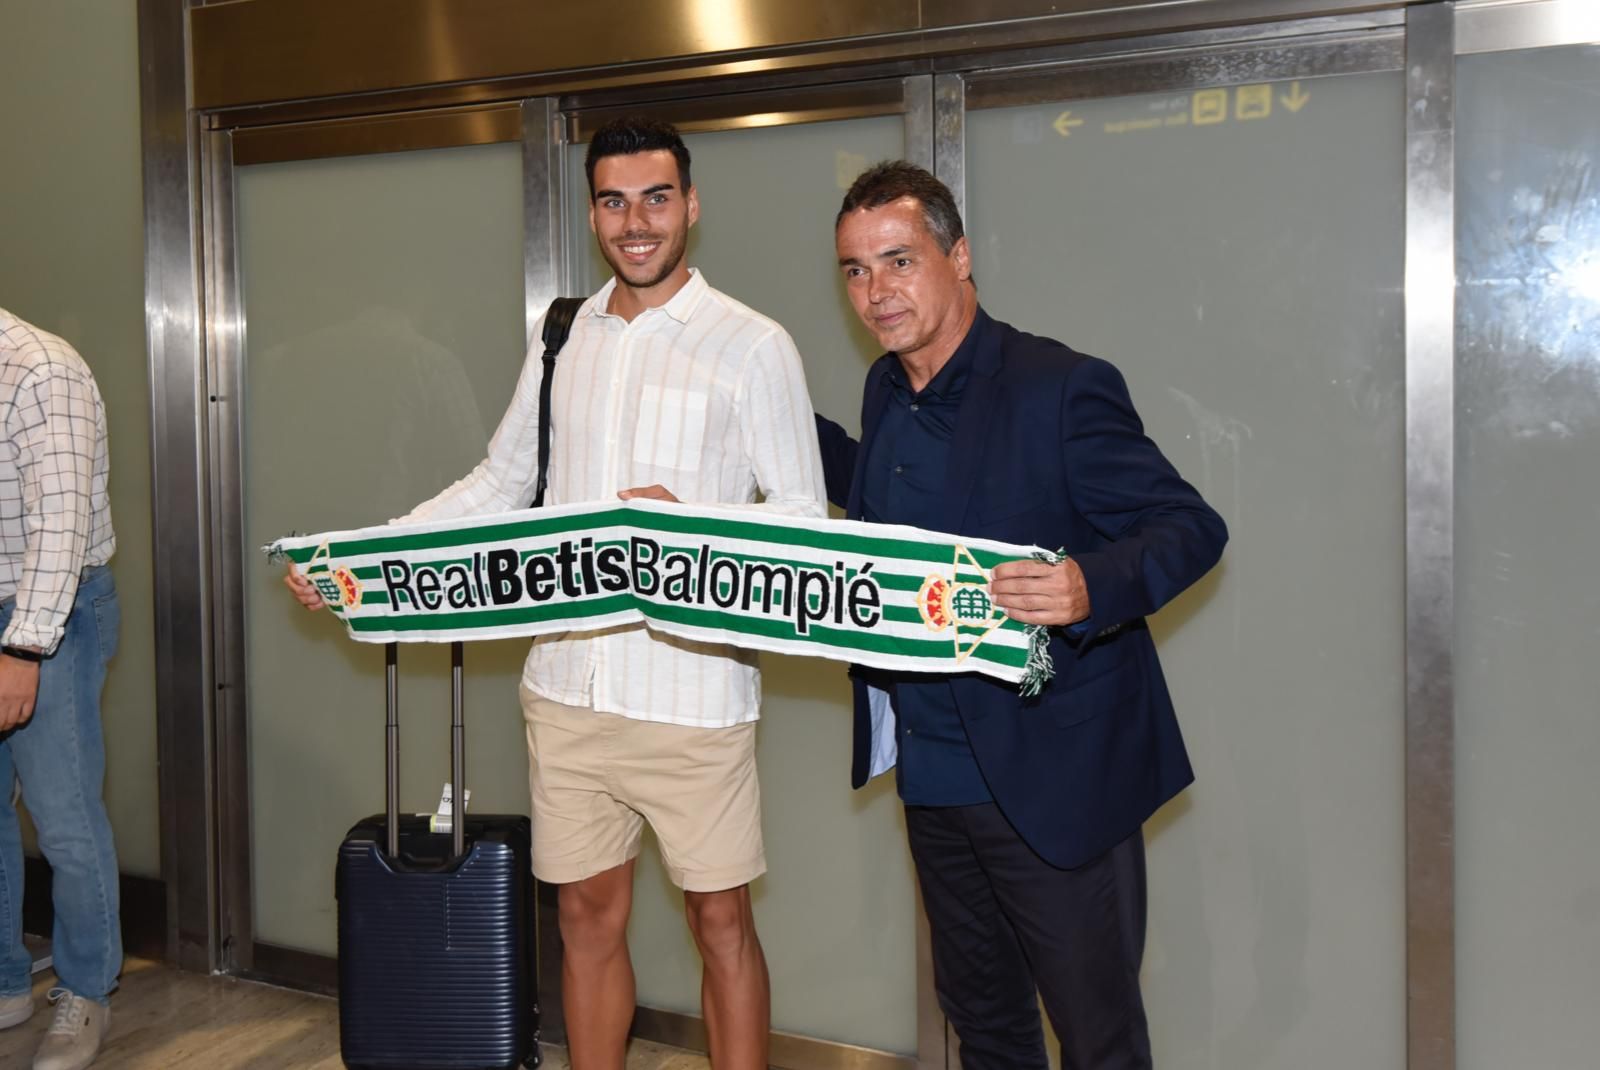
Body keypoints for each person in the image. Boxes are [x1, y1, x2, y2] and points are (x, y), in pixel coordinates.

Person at [286, 117, 825, 1070]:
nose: (637, 222)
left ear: (692, 205)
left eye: (657, 198)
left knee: (721, 923)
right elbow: (499, 485)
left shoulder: (753, 345)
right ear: (592, 215)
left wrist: (691, 518)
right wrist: (366, 558)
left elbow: (803, 521)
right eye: (615, 202)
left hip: (693, 698)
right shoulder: (563, 336)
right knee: (584, 916)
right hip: (568, 689)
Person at [816, 162, 1227, 1070]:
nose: (877, 293)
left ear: (958, 257)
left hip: (1056, 778)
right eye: (855, 271)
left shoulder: (1060, 387)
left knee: (1096, 1036)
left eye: (899, 261)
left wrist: (1090, 583)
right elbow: (886, 501)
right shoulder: (887, 389)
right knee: (986, 1028)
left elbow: (1190, 526)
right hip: (931, 780)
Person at [0, 309, 123, 1070]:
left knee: (65, 816)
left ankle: (86, 990)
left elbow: (62, 526)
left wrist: (23, 647)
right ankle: (7, 980)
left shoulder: (41, 370)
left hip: (51, 611)